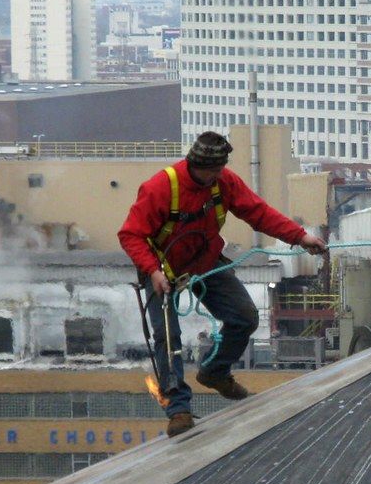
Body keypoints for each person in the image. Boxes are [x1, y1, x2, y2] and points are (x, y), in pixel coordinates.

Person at [119, 131, 327, 437]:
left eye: (220, 170)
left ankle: (215, 371)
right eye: (213, 171)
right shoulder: (161, 187)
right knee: (167, 337)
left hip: (204, 263)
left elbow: (259, 213)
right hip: (161, 270)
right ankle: (178, 409)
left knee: (244, 317)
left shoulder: (223, 182)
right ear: (196, 165)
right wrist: (152, 271)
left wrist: (300, 237)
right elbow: (131, 235)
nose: (218, 176)